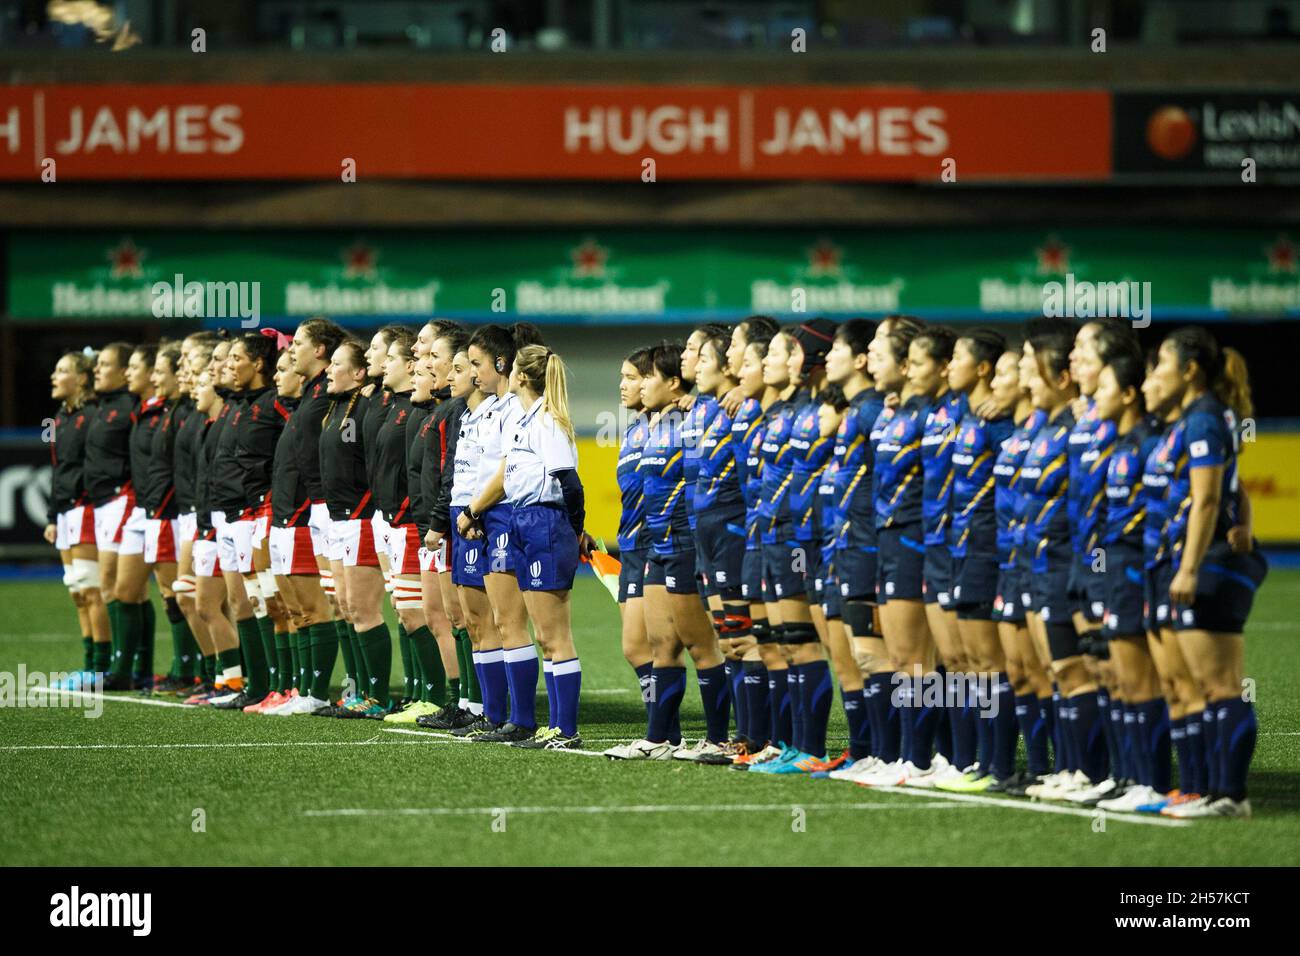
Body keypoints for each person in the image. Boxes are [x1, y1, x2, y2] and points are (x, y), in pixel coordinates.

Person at [1153, 329, 1267, 818]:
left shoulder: (1202, 420)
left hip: (1212, 565)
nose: (1154, 373)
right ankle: (1205, 790)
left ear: (1190, 370)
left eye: (1162, 363)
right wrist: (1244, 522)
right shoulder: (1200, 417)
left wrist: (1189, 566)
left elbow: (1207, 498)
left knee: (1220, 686)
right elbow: (1232, 490)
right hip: (1206, 558)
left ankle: (1230, 795)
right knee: (1197, 687)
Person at [607, 343, 729, 760]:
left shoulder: (697, 417)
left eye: (639, 377)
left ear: (673, 381)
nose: (632, 386)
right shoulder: (648, 426)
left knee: (703, 645)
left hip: (685, 542)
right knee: (660, 646)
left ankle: (719, 737)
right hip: (652, 545)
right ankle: (660, 738)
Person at [500, 344, 593, 749]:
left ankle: (565, 730)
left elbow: (571, 484)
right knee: (542, 634)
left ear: (521, 376)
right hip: (524, 519)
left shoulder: (548, 422)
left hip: (544, 522)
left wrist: (575, 530)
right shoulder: (526, 419)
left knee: (554, 634)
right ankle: (555, 727)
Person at [937, 329, 1018, 792]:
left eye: (959, 359)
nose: (950, 366)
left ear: (983, 368)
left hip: (987, 550)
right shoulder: (963, 415)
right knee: (965, 661)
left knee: (988, 663)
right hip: (957, 547)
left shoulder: (998, 422)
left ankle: (998, 763)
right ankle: (976, 762)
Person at [1090, 348, 1167, 811]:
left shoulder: (1147, 442)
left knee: (1140, 682)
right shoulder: (1117, 442)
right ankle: (1126, 776)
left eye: (1103, 388)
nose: (1096, 396)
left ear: (1129, 393)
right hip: (1112, 569)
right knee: (1117, 679)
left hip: (1137, 570)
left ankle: (1152, 781)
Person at [45, 349, 110, 687]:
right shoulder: (56, 420)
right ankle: (88, 664)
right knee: (76, 589)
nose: (54, 377)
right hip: (67, 511)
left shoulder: (95, 415)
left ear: (82, 378)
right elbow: (57, 468)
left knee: (91, 588)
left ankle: (101, 667)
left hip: (86, 507)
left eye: (62, 370)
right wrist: (52, 515)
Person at [103, 343, 160, 690]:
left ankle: (192, 671)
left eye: (134, 367)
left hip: (161, 509)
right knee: (127, 590)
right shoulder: (142, 410)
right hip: (142, 508)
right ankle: (128, 669)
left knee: (177, 594)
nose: (128, 373)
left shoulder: (165, 412)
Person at [613, 347, 656, 722]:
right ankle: (663, 726)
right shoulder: (633, 431)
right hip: (630, 546)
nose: (622, 385)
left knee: (641, 646)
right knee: (638, 648)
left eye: (631, 378)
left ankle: (664, 728)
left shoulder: (671, 426)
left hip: (655, 547)